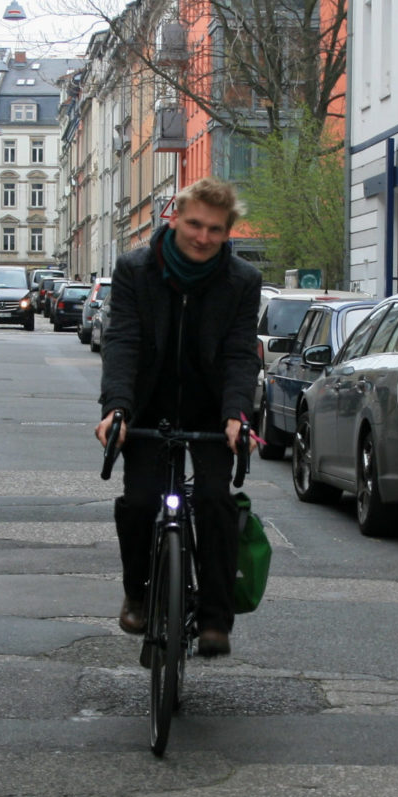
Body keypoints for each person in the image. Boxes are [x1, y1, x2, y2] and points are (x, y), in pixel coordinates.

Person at [96, 177, 261, 658]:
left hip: (211, 409)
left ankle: (214, 618)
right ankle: (139, 593)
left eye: (215, 229)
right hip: (148, 403)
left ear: (228, 232)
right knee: (141, 499)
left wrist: (236, 416)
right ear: (175, 218)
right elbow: (122, 340)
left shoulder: (242, 281)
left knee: (214, 501)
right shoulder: (135, 269)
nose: (202, 237)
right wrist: (117, 409)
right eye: (194, 224)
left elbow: (238, 354)